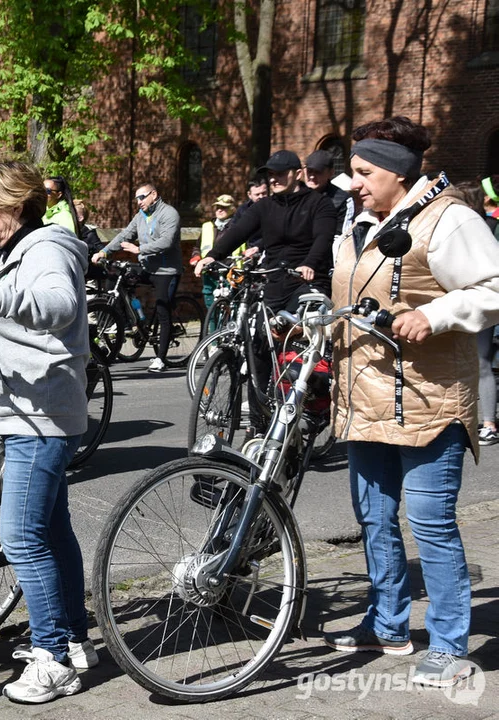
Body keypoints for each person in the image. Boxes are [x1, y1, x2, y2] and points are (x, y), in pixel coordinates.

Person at [321, 116, 499, 688]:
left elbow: (494, 286)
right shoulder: (357, 220)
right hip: (362, 398)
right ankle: (388, 622)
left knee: (431, 525)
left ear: (398, 173)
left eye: (363, 172)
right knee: (374, 520)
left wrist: (434, 313)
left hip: (428, 402)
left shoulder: (450, 219)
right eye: (352, 172)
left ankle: (448, 643)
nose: (353, 183)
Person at [0, 161, 95, 705]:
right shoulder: (16, 251)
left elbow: (60, 305)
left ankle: (52, 657)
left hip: (41, 418)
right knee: (53, 532)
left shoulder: (49, 249)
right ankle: (76, 641)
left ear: (13, 205)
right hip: (31, 411)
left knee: (21, 537)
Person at [195, 150, 337, 312]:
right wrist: (213, 256)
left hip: (307, 281)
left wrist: (309, 264)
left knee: (293, 326)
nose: (273, 179)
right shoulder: (264, 206)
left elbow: (323, 238)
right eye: (270, 174)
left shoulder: (319, 204)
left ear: (298, 174)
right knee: (260, 330)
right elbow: (239, 231)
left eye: (280, 174)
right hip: (275, 282)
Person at [92, 181, 182, 372]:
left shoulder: (169, 213)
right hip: (147, 268)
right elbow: (125, 235)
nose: (139, 202)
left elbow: (167, 241)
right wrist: (105, 252)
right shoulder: (140, 216)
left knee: (161, 309)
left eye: (142, 197)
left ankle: (161, 358)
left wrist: (139, 249)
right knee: (116, 277)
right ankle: (131, 322)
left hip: (167, 271)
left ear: (154, 195)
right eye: (137, 199)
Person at [450, 181, 499, 446]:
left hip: (480, 303)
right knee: (461, 362)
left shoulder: (487, 228)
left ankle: (489, 423)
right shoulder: (456, 229)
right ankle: (462, 419)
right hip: (456, 302)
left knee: (480, 361)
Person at [192, 194, 239, 308]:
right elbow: (197, 247)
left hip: (230, 273)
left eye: (224, 207)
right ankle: (212, 326)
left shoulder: (237, 227)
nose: (220, 210)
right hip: (209, 272)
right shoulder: (207, 226)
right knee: (211, 308)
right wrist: (196, 257)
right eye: (217, 207)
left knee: (231, 307)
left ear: (232, 209)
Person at [303, 149, 352, 231]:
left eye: (318, 172)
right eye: (309, 171)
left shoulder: (342, 200)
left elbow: (342, 235)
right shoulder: (295, 195)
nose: (312, 176)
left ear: (331, 173)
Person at [231, 177, 268, 249]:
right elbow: (234, 231)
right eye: (257, 194)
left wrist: (258, 247)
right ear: (249, 195)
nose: (261, 197)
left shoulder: (276, 208)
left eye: (264, 193)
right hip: (249, 249)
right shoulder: (243, 210)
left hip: (269, 248)